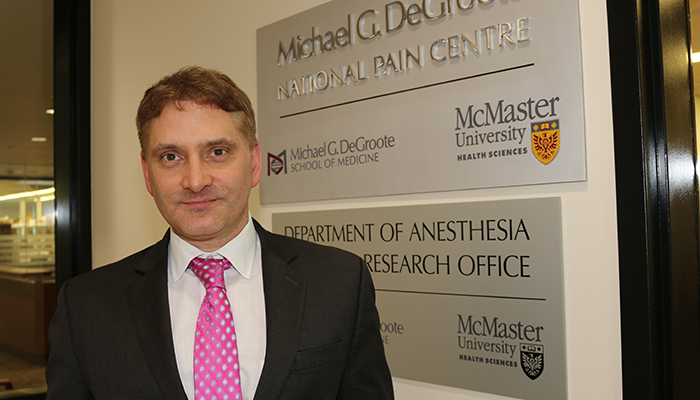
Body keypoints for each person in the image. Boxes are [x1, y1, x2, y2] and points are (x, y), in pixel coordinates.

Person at [46, 66, 394, 400]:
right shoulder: (84, 307)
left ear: (255, 162)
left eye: (217, 152)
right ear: (147, 174)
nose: (195, 181)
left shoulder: (341, 282)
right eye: (170, 156)